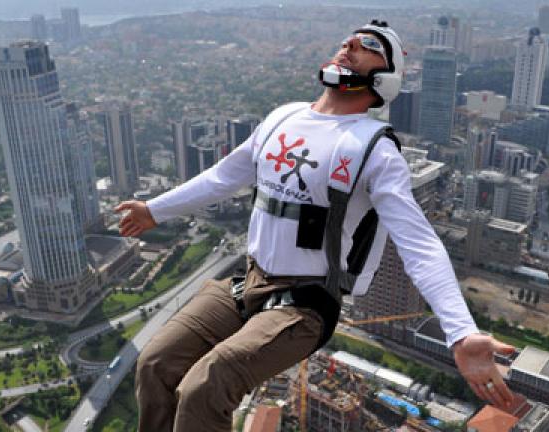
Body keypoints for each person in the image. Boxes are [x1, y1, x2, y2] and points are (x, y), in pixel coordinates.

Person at [116, 20, 515, 432]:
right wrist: (154, 210)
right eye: (348, 40)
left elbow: (419, 243)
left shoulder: (374, 150)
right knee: (156, 363)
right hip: (248, 283)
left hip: (305, 305)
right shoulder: (281, 118)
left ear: (386, 75)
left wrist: (461, 333)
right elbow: (223, 176)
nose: (349, 45)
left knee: (206, 385)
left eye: (368, 45)